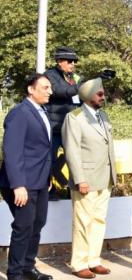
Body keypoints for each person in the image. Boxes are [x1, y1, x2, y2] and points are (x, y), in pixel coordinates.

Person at [0, 74, 54, 280]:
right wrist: (18, 185)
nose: (50, 91)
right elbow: (12, 151)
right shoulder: (20, 113)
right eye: (45, 87)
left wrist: (47, 176)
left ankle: (27, 267)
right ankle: (15, 273)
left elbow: (42, 148)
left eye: (50, 87)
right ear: (31, 90)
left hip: (40, 180)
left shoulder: (42, 112)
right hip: (22, 182)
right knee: (23, 227)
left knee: (38, 223)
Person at [61, 78, 116, 279]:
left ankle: (94, 260)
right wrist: (80, 179)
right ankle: (79, 263)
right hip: (86, 180)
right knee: (82, 222)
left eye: (103, 93)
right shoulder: (74, 118)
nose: (103, 96)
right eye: (99, 93)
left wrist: (113, 176)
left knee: (99, 220)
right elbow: (72, 151)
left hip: (105, 178)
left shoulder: (103, 115)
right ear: (86, 95)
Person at [43, 47, 82, 200]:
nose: (73, 64)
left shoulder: (75, 77)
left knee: (72, 159)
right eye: (70, 61)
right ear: (59, 61)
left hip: (70, 127)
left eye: (75, 61)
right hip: (54, 127)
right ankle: (49, 191)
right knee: (49, 160)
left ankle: (69, 188)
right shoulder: (50, 75)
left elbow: (80, 97)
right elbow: (62, 91)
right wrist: (82, 86)